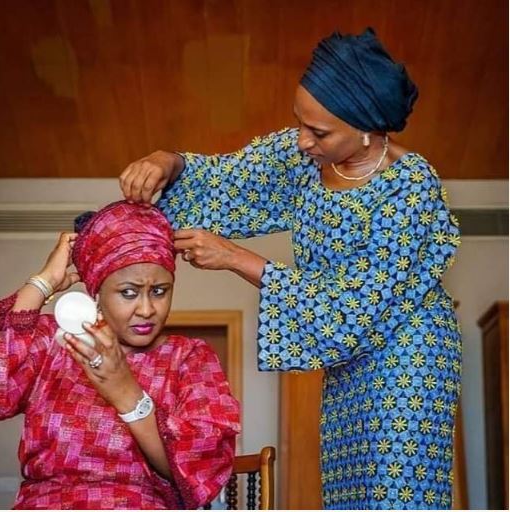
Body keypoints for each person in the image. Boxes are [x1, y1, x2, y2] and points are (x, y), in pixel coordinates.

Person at [119, 28, 462, 510]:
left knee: (394, 492)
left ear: (368, 128)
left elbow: (359, 303)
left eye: (319, 132)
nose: (302, 140)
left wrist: (235, 258)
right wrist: (168, 162)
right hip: (347, 362)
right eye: (300, 122)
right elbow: (227, 180)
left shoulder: (410, 187)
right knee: (349, 494)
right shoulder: (305, 158)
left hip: (405, 354)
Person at [0, 201, 240, 509]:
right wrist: (43, 284)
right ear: (95, 293)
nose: (146, 309)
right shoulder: (56, 343)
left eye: (159, 291)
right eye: (128, 292)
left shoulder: (189, 359)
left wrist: (124, 390)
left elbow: (197, 472)